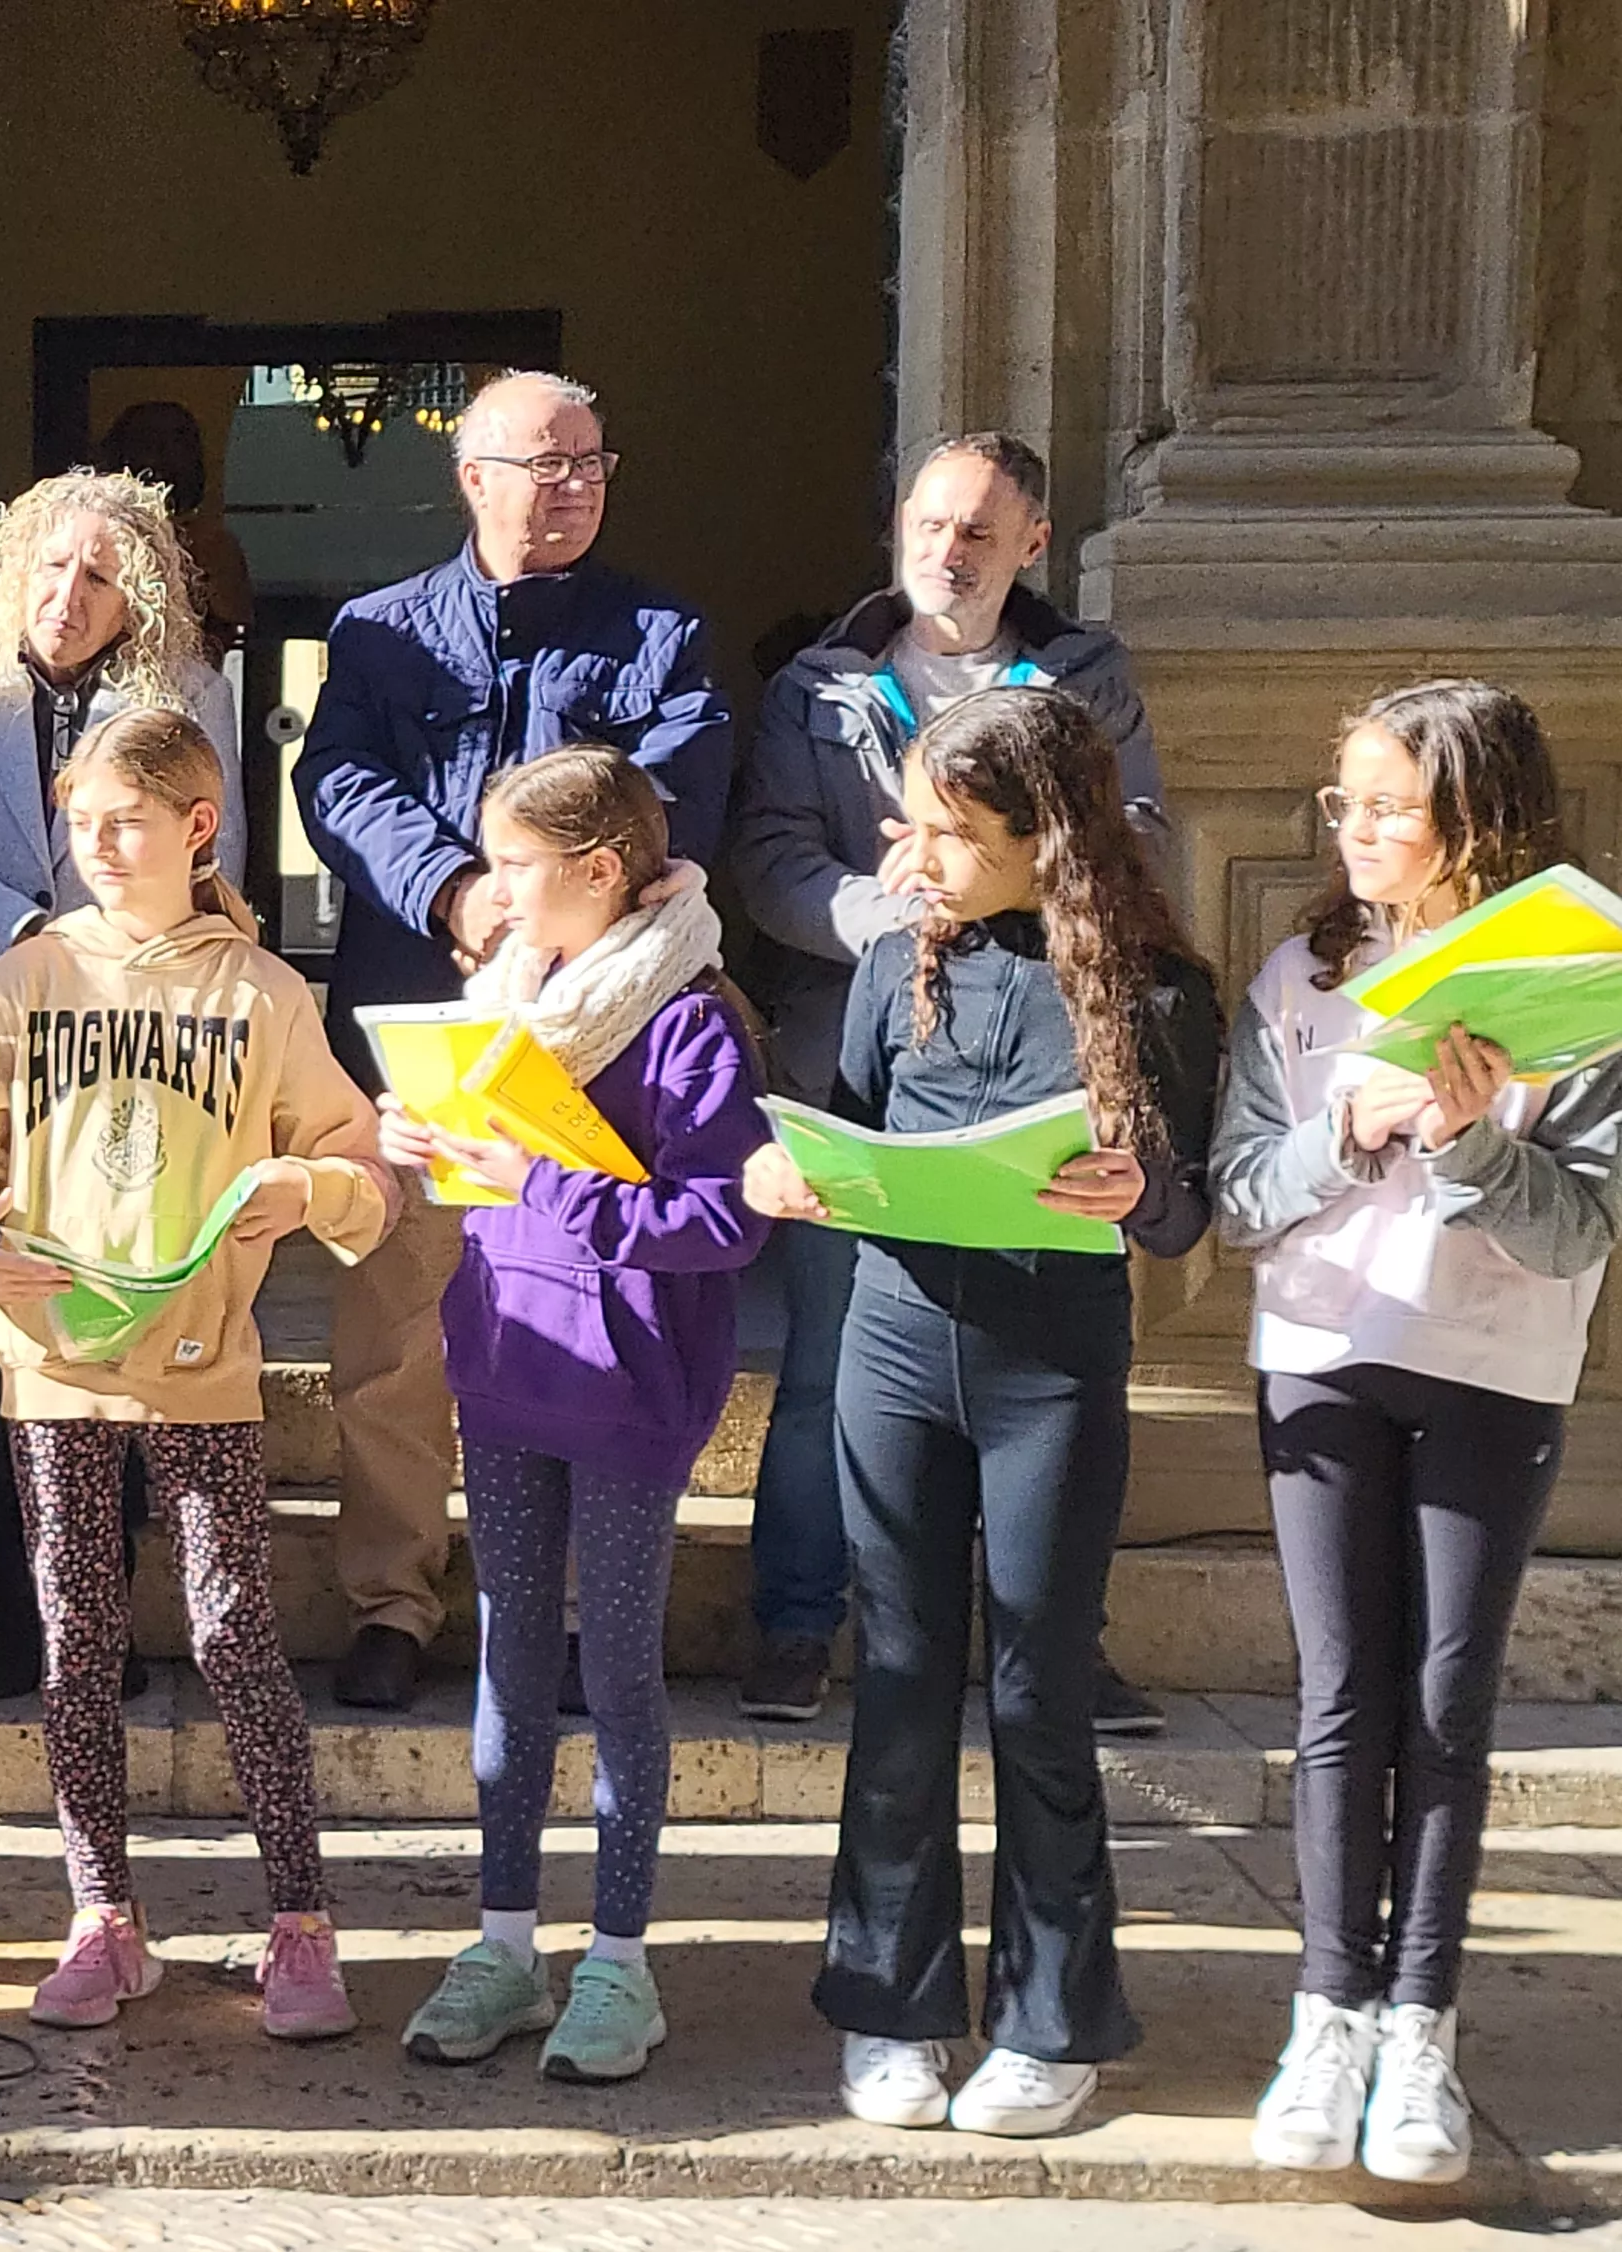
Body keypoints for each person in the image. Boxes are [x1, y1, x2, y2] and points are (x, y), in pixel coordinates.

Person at [739, 685, 1217, 2141]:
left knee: (1036, 1691)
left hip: (1049, 1368)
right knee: (897, 1683)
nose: (919, 858)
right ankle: (888, 2009)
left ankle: (1051, 2018)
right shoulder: (902, 962)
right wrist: (794, 1177)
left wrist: (1143, 1193)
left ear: (1046, 833)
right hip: (891, 1347)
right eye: (917, 826)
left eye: (955, 833)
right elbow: (854, 1129)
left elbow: (1186, 1209)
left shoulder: (1153, 988)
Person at [0, 707, 387, 2042]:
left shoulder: (260, 993)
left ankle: (300, 1923)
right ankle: (102, 1914)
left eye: (127, 820)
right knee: (75, 1640)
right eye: (83, 821)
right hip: (56, 1363)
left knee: (233, 1629)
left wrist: (312, 1184)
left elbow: (361, 1168)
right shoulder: (27, 981)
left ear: (197, 825)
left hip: (203, 1363)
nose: (99, 845)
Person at [1208, 680, 1605, 2185]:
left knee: (1446, 1704)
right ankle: (1328, 2013)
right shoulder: (1306, 975)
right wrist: (1350, 1127)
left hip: (1494, 1366)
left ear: (1475, 820)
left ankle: (1420, 2028)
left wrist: (1463, 1140)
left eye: (1391, 807)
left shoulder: (1579, 987)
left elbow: (1576, 1233)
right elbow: (1240, 1193)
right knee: (1337, 1697)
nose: (1358, 831)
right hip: (1321, 1357)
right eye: (1343, 803)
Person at [291, 370, 734, 1714]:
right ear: (472, 478)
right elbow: (338, 782)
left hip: (595, 1042)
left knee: (583, 1318)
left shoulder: (660, 630)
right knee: (395, 1329)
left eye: (594, 463)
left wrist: (546, 898)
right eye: (547, 466)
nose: (575, 485)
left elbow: (679, 779)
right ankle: (393, 1598)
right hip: (427, 1029)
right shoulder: (377, 633)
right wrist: (454, 889)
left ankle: (582, 1612)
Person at [725, 431, 1168, 1733]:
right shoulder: (822, 683)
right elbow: (766, 854)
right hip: (861, 1062)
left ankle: (1054, 1649)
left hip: (1040, 1064)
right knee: (828, 1370)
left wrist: (1006, 891)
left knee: (1042, 1379)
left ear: (1034, 541)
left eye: (979, 530)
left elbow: (1134, 833)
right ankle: (799, 1626)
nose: (948, 553)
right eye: (928, 525)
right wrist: (884, 912)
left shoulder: (1085, 677)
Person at [374, 749, 768, 2085]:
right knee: (507, 1665)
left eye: (519, 865)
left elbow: (722, 1225)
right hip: (509, 1362)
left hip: (626, 1385)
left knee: (618, 1675)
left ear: (602, 872)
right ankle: (502, 1946)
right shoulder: (509, 1002)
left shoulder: (688, 1021)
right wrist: (424, 1138)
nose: (493, 892)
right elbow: (493, 1172)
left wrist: (542, 1181)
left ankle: (619, 1961)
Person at [0, 469, 242, 1702]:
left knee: (130, 1334)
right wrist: (42, 940)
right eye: (50, 567)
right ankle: (20, 1599)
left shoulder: (189, 699)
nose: (67, 593)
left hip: (138, 1067)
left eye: (98, 574)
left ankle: (121, 1609)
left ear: (135, 591)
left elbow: (220, 867)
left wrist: (113, 960)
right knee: (4, 1336)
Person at [97, 400, 253, 661]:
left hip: (187, 685)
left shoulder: (213, 546)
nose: (156, 461)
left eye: (173, 449)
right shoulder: (89, 540)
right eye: (145, 446)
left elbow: (233, 636)